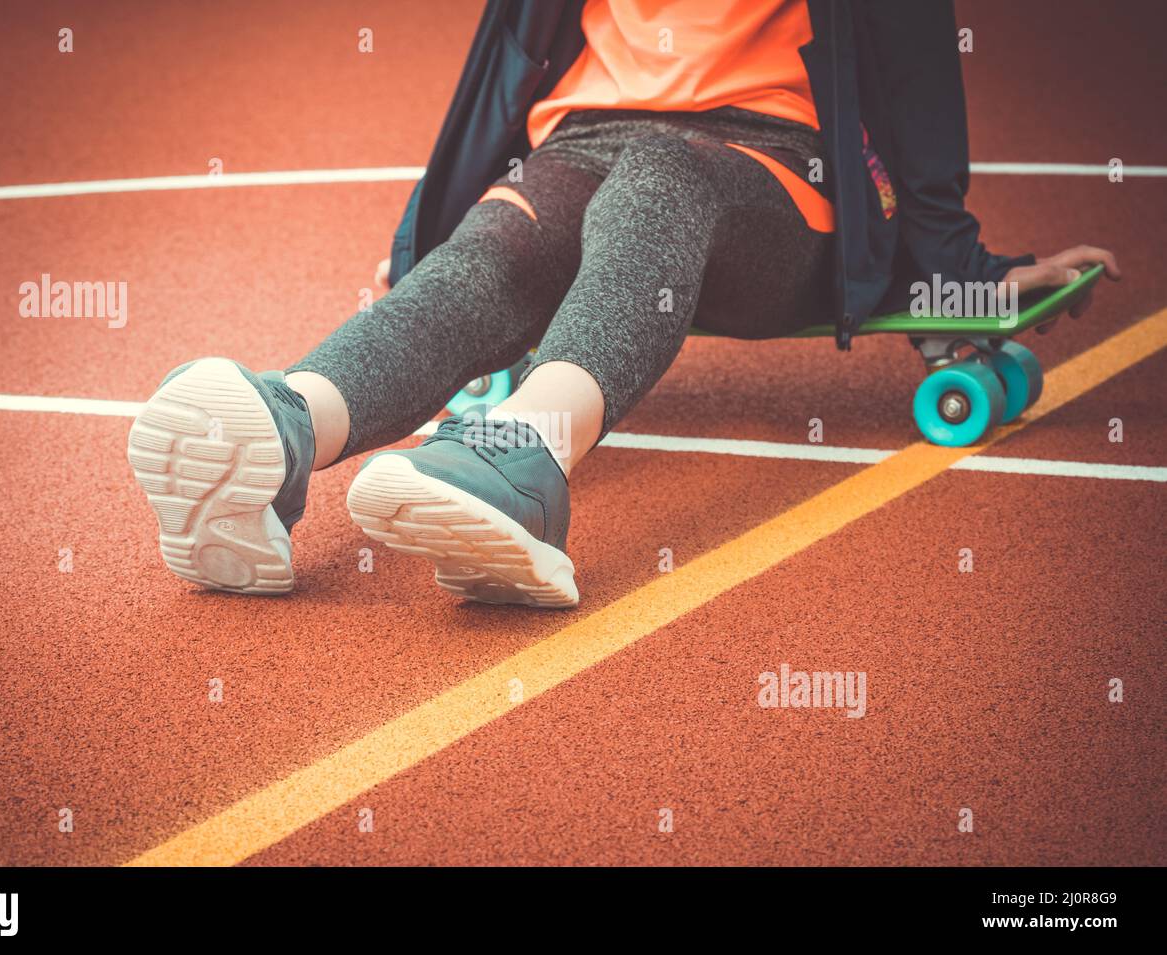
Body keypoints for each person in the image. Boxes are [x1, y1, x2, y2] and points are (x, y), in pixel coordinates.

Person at [127, 0, 1119, 607]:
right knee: (495, 245)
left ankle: (514, 453)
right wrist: (424, 240)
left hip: (778, 173)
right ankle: (286, 424)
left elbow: (908, 70)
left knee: (653, 179)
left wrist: (957, 272)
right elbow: (505, 63)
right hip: (583, 138)